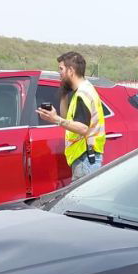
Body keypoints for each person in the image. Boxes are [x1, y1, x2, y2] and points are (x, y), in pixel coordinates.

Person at [37, 51, 106, 179]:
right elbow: (67, 120)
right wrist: (64, 94)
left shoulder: (83, 94)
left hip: (86, 158)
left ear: (71, 70)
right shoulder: (80, 92)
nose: (59, 73)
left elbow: (83, 128)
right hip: (82, 158)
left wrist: (56, 119)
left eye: (61, 69)